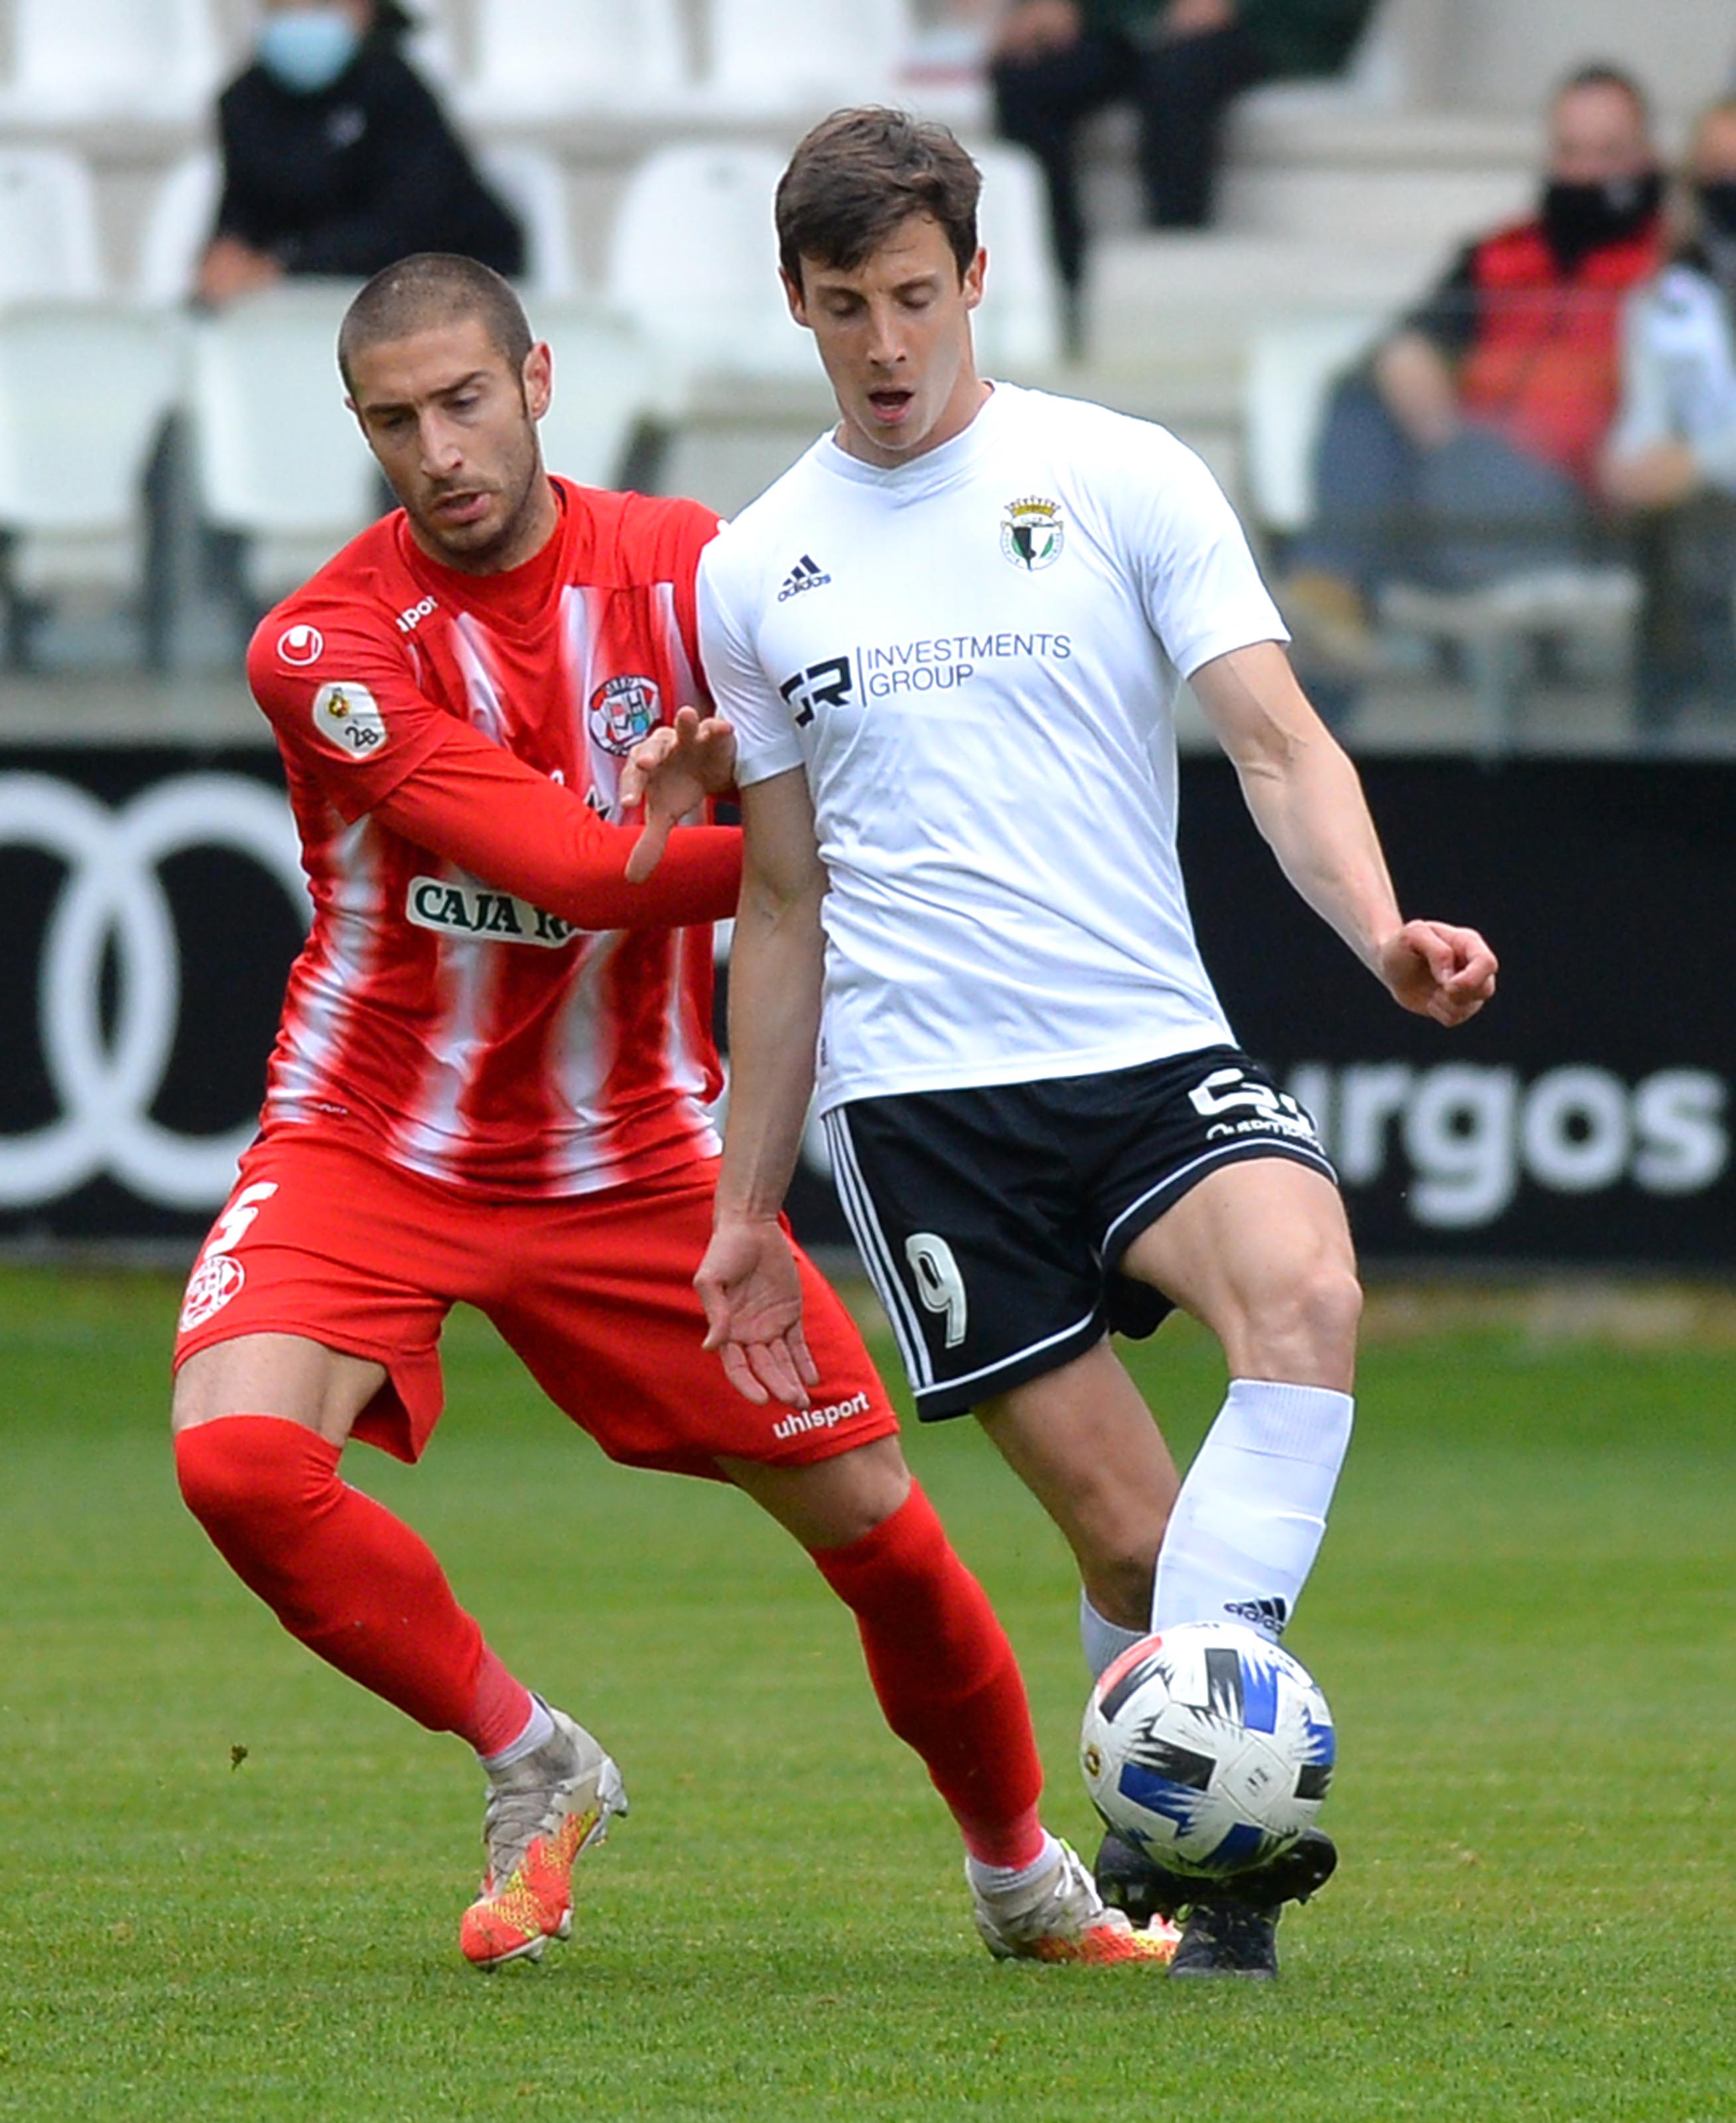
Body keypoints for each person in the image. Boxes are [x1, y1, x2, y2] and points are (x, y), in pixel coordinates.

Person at [169, 251, 1175, 1974]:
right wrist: (832, 851)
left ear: (540, 379)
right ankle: (531, 1756)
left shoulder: (699, 573)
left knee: (883, 1538)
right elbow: (567, 865)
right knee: (241, 1462)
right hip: (366, 1142)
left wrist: (838, 793)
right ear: (362, 433)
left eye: (467, 402)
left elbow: (868, 723)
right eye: (398, 422)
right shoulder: (323, 645)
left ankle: (1022, 1878)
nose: (442, 449)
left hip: (633, 1164)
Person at [628, 107, 1497, 1978]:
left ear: (977, 278)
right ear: (794, 299)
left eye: (915, 297)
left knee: (1311, 1299)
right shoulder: (756, 569)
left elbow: (1276, 741)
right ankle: (1195, 1842)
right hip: (922, 1109)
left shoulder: (1117, 475)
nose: (884, 343)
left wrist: (1379, 932)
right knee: (1137, 1556)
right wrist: (740, 1209)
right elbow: (780, 908)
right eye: (846, 303)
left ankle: (1220, 1858)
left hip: (1142, 1044)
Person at [1278, 64, 1663, 680]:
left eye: (1608, 152)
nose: (1587, 173)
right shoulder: (1500, 254)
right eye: (1571, 152)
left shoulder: (1668, 265)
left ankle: (1339, 596)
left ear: (1646, 155)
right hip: (1454, 475)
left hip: (1579, 506)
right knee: (1361, 392)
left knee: (1449, 459)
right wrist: (1413, 370)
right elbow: (1417, 338)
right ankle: (1332, 595)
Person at [990, 0, 1376, 339]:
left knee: (1176, 83)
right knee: (1026, 79)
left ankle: (1171, 288)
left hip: (1267, 28)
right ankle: (1056, 283)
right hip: (1124, 25)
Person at [198, 1, 522, 305]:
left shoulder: (395, 89)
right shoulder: (245, 103)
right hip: (300, 307)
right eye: (286, 4)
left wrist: (285, 268)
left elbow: (412, 223)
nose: (304, 15)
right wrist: (226, 255)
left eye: (324, 4)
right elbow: (241, 211)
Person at [1600, 97, 1736, 743]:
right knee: (1673, 527)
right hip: (1695, 520)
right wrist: (1637, 461)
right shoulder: (1669, 297)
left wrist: (1699, 461)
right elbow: (1645, 412)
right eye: (1714, 170)